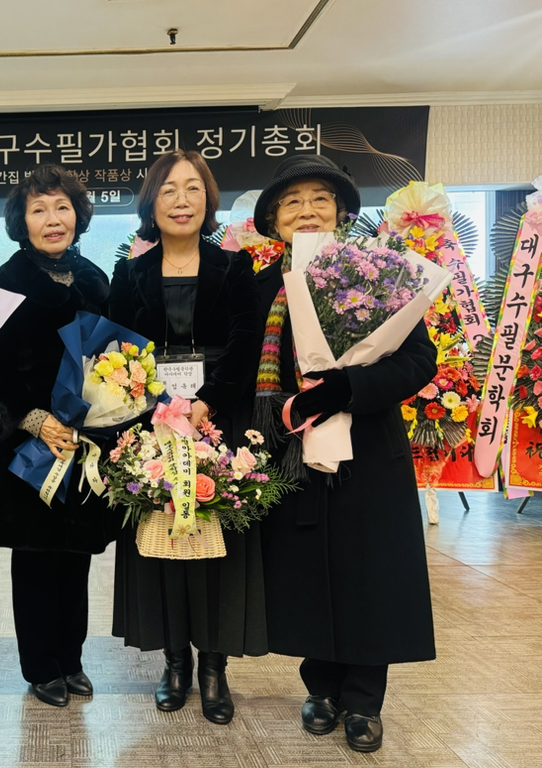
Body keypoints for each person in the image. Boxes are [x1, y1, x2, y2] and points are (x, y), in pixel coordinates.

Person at [252, 154, 437, 753]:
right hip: (291, 450)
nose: (306, 211)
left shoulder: (379, 273)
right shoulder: (262, 288)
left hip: (369, 449)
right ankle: (321, 687)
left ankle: (363, 700)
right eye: (292, 202)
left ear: (341, 213)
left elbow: (419, 361)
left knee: (369, 572)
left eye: (320, 199)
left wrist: (346, 387)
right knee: (309, 571)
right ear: (274, 221)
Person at [107, 149, 261, 722]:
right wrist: (159, 407)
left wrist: (206, 402)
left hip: (218, 421)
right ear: (152, 202)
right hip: (151, 424)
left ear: (208, 199)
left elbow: (246, 343)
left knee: (217, 545)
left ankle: (214, 668)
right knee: (164, 543)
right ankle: (174, 663)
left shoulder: (235, 267)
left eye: (193, 188)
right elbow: (117, 346)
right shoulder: (130, 273)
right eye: (169, 189)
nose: (181, 200)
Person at [0, 164, 113, 707]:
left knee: (76, 558)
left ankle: (71, 658)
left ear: (78, 216)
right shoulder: (4, 286)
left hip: (84, 441)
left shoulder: (96, 280)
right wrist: (33, 420)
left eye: (62, 207)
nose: (52, 219)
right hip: (32, 444)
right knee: (36, 560)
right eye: (39, 209)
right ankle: (40, 666)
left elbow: (115, 360)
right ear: (22, 221)